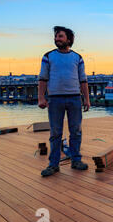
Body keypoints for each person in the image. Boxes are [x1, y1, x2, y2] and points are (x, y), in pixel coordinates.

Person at [38, 26, 91, 177]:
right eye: (55, 37)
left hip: (74, 98)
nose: (56, 39)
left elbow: (83, 80)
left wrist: (87, 99)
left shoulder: (77, 58)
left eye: (60, 36)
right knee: (55, 133)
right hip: (55, 99)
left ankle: (76, 160)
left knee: (76, 131)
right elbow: (42, 78)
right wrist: (41, 97)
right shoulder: (48, 57)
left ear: (68, 39)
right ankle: (53, 165)